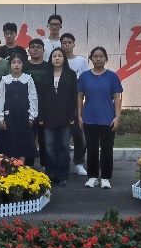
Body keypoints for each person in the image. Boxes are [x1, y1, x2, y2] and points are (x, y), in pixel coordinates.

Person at [78, 46, 123, 189]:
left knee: (107, 149)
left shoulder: (112, 76)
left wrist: (117, 117)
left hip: (108, 119)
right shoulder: (84, 76)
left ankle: (105, 178)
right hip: (89, 119)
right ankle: (92, 177)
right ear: (91, 59)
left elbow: (117, 97)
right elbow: (80, 96)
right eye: (95, 56)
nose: (98, 59)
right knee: (91, 149)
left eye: (101, 56)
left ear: (106, 59)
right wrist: (79, 115)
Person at [37, 48, 78, 186]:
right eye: (54, 56)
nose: (57, 58)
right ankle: (51, 174)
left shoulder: (71, 75)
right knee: (49, 147)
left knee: (64, 147)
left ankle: (62, 176)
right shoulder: (45, 75)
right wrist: (41, 116)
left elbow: (73, 97)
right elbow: (41, 98)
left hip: (65, 117)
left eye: (60, 56)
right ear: (51, 59)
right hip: (48, 117)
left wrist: (72, 115)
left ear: (64, 59)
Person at [0, 54, 39, 165]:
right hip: (9, 116)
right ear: (10, 65)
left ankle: (21, 168)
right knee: (9, 142)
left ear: (22, 64)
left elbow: (33, 98)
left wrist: (31, 116)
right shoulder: (5, 80)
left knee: (23, 143)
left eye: (19, 62)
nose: (16, 65)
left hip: (24, 116)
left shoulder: (28, 79)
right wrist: (0, 117)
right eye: (13, 62)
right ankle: (10, 168)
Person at [60, 32, 90, 176]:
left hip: (77, 103)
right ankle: (62, 164)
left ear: (73, 44)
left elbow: (87, 80)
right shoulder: (57, 60)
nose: (67, 45)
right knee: (62, 136)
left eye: (69, 43)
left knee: (78, 135)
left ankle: (79, 163)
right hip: (60, 105)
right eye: (64, 43)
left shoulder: (81, 61)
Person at [25, 38, 53, 170]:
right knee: (28, 137)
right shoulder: (24, 66)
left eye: (38, 47)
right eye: (33, 47)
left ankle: (45, 164)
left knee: (44, 138)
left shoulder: (49, 67)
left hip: (45, 107)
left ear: (43, 50)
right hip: (27, 107)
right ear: (29, 50)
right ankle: (28, 164)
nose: (35, 49)